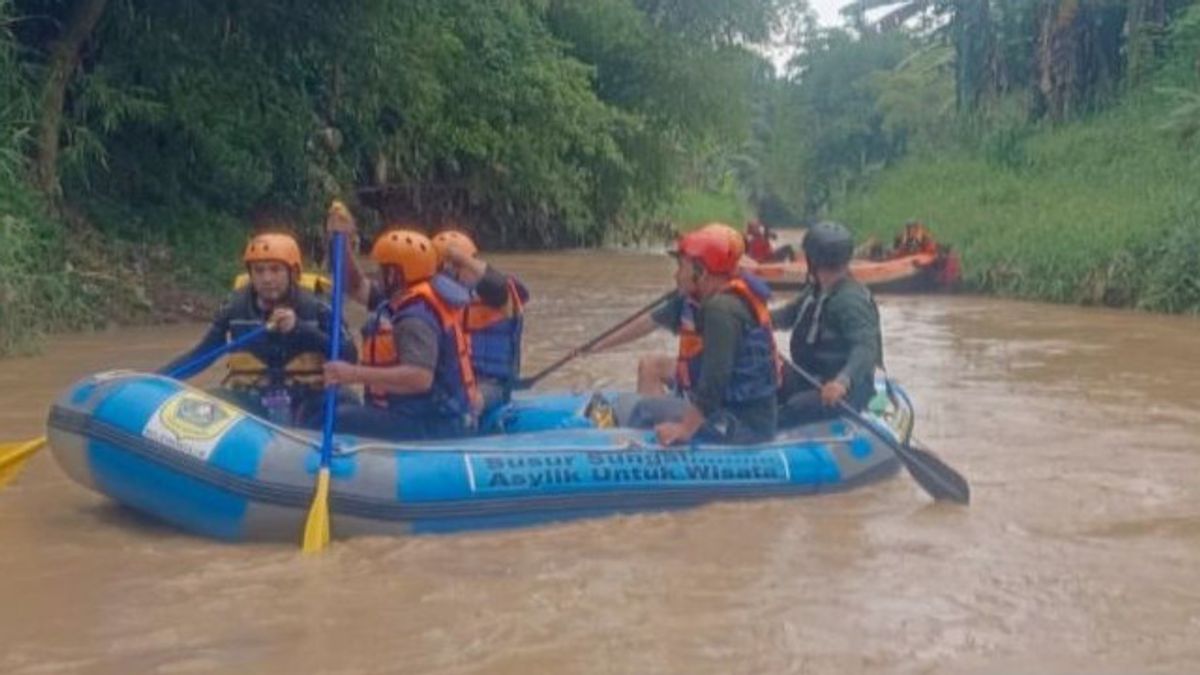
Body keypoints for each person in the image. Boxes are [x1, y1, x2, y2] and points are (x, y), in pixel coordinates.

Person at [587, 224, 780, 445]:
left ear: (702, 272)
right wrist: (594, 347)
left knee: (643, 409)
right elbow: (648, 322)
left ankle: (630, 454)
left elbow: (715, 380)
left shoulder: (722, 310)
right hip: (725, 410)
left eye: (681, 267)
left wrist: (685, 428)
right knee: (637, 388)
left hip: (742, 424)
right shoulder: (697, 299)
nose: (676, 274)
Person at [160, 232, 357, 428]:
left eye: (275, 270)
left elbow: (349, 356)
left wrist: (300, 329)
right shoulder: (233, 308)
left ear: (293, 273)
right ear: (250, 274)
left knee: (348, 402)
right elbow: (202, 354)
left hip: (309, 402)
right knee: (203, 406)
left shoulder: (318, 307)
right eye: (259, 271)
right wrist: (158, 379)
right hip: (251, 402)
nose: (267, 278)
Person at [321, 209, 481, 441]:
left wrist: (352, 374)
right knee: (341, 400)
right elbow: (354, 285)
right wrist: (342, 240)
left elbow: (419, 378)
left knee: (337, 417)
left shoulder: (415, 317)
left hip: (430, 425)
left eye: (383, 269)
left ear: (395, 274)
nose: (377, 273)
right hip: (423, 415)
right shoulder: (404, 298)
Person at [772, 222, 882, 428]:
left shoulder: (851, 301)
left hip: (847, 391)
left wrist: (842, 382)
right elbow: (786, 315)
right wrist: (754, 316)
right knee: (767, 378)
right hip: (813, 376)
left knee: (797, 407)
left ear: (813, 261)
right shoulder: (817, 290)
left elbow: (866, 348)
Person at [430, 229, 530, 412]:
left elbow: (497, 284)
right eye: (444, 270)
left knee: (469, 401)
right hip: (454, 383)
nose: (450, 276)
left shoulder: (500, 296)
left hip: (492, 386)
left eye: (455, 268)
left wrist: (462, 259)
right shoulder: (439, 300)